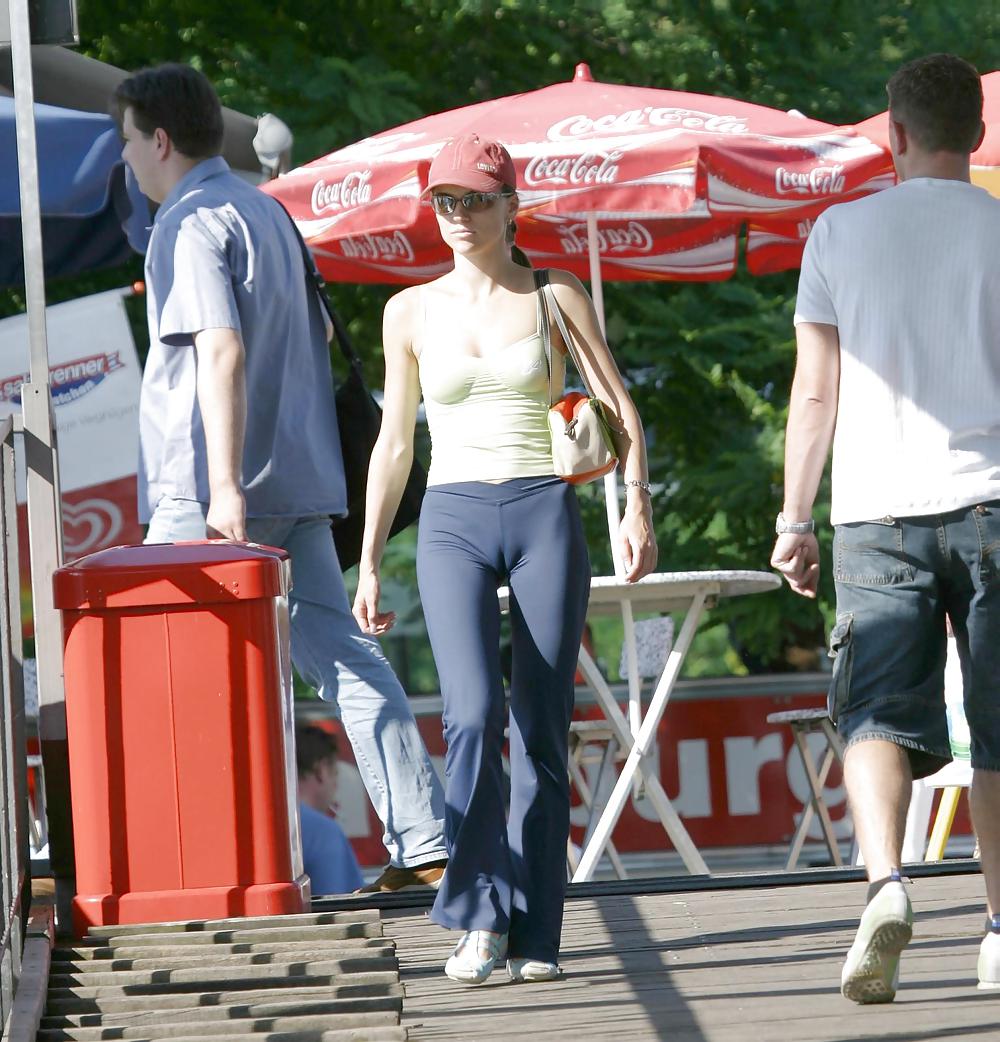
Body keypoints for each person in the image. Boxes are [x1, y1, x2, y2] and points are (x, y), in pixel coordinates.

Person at [114, 63, 447, 894]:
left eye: (127, 142)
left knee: (175, 673)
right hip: (302, 476)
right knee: (345, 660)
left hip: (213, 491)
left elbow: (217, 350)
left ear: (159, 140)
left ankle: (196, 867)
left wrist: (221, 486)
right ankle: (425, 838)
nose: (126, 161)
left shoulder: (188, 224)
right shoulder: (268, 212)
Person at [353, 132, 657, 985]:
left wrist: (636, 504)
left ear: (511, 206)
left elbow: (620, 409)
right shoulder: (408, 311)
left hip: (542, 508)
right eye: (444, 200)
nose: (457, 215)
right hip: (451, 515)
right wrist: (370, 560)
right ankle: (478, 914)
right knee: (472, 714)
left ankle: (538, 935)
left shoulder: (554, 292)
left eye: (475, 200)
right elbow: (394, 445)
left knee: (542, 728)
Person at [771, 53, 1000, 1003]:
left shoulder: (836, 231)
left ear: (893, 135)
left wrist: (794, 517)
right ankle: (998, 931)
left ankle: (886, 886)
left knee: (870, 712)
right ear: (977, 136)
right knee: (996, 731)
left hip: (874, 513)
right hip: (993, 501)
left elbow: (815, 391)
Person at [295, 724, 364, 895]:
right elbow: (340, 905)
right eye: (335, 774)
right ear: (321, 771)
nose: (336, 785)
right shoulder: (323, 831)